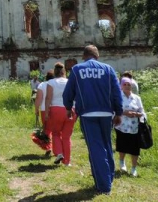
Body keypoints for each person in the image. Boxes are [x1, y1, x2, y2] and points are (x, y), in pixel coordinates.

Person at [63, 45, 123, 195]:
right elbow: (117, 93)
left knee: (96, 148)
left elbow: (68, 92)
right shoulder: (108, 69)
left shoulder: (77, 70)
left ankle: (104, 186)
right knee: (107, 145)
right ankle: (109, 177)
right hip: (106, 114)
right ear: (97, 56)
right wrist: (119, 112)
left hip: (88, 114)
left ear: (84, 56)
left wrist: (68, 107)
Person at [45, 62, 77, 166]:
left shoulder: (51, 82)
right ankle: (67, 161)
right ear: (64, 72)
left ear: (54, 72)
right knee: (67, 136)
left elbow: (48, 98)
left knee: (56, 133)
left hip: (56, 109)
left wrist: (46, 112)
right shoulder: (70, 82)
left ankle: (59, 153)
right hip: (71, 109)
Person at [115, 77, 146, 177]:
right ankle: (122, 163)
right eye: (125, 84)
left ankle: (133, 169)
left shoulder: (137, 98)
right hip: (121, 126)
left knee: (134, 149)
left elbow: (142, 112)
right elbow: (114, 111)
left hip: (134, 127)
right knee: (122, 145)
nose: (127, 86)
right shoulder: (118, 97)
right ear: (121, 86)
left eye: (129, 84)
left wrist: (138, 114)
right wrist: (125, 113)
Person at [34, 69, 54, 156]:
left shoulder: (42, 85)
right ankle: (59, 148)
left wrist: (36, 109)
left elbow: (38, 98)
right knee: (57, 129)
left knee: (47, 129)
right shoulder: (57, 83)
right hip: (57, 108)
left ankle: (48, 147)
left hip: (44, 109)